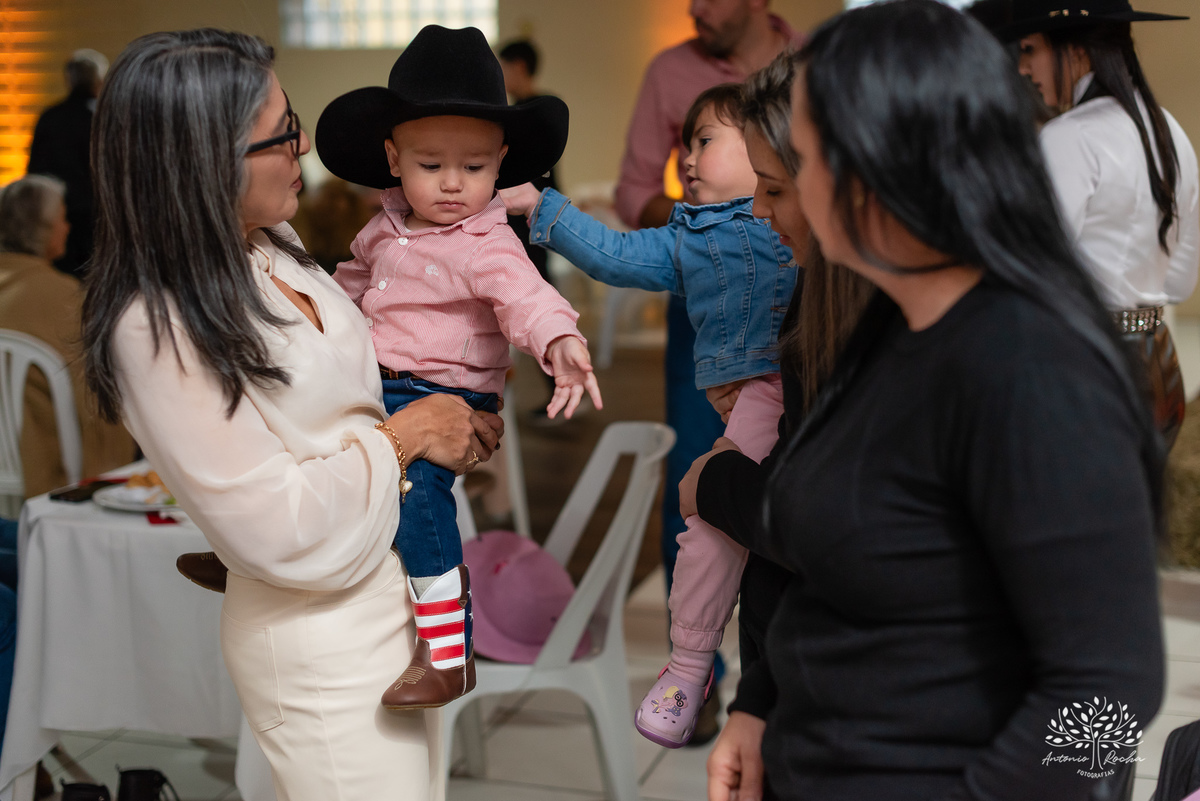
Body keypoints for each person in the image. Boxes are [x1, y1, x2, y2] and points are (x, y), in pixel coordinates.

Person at [688, 2, 1164, 799]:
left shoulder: (1033, 369)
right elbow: (828, 556)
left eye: (803, 159)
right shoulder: (887, 329)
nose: (785, 193)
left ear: (878, 166)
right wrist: (761, 704)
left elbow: (1115, 694)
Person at [81, 29, 502, 799]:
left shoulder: (271, 245)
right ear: (204, 161)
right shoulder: (157, 324)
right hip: (320, 633)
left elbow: (345, 403)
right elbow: (274, 523)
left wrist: (450, 415)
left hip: (386, 589)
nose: (303, 144)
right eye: (281, 134)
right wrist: (407, 436)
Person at [314, 24, 601, 711]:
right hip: (375, 384)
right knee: (309, 447)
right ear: (393, 157)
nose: (452, 184)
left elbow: (527, 296)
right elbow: (349, 287)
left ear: (500, 163)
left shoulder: (487, 239)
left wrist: (560, 339)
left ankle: (449, 652)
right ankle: (261, 562)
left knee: (417, 502)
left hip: (446, 394)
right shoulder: (381, 228)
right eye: (430, 164)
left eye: (474, 168)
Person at [502, 82, 797, 747]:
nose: (686, 156)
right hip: (755, 406)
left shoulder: (799, 218)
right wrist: (541, 206)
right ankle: (691, 664)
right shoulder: (692, 237)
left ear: (767, 150)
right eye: (685, 141)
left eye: (704, 140)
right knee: (709, 532)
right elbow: (616, 256)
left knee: (756, 541)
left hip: (802, 394)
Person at [615, 5, 803, 733]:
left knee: (785, 481)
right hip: (712, 314)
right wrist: (715, 233)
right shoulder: (670, 71)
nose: (698, 8)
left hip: (800, 300)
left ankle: (771, 673)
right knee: (698, 489)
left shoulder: (813, 59)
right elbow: (636, 189)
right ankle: (695, 679)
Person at [997, 0, 1198, 450]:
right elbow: (1182, 283)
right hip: (1161, 361)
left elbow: (1030, 270)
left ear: (1078, 51)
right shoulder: (1173, 134)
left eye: (1030, 50)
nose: (1025, 69)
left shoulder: (1069, 137)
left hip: (1087, 362)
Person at [0, 174, 135, 499]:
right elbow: (100, 396)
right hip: (44, 477)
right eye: (62, 218)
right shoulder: (66, 299)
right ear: (42, 229)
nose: (68, 228)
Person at [498, 38, 565, 417]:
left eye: (504, 67)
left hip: (527, 226)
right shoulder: (526, 112)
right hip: (531, 224)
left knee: (537, 306)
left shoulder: (532, 114)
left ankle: (562, 388)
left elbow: (546, 179)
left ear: (519, 67)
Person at [26, 49, 107, 277]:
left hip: (54, 216)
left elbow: (34, 172)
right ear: (99, 81)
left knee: (59, 283)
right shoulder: (103, 118)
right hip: (96, 217)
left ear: (68, 80)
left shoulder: (50, 117)